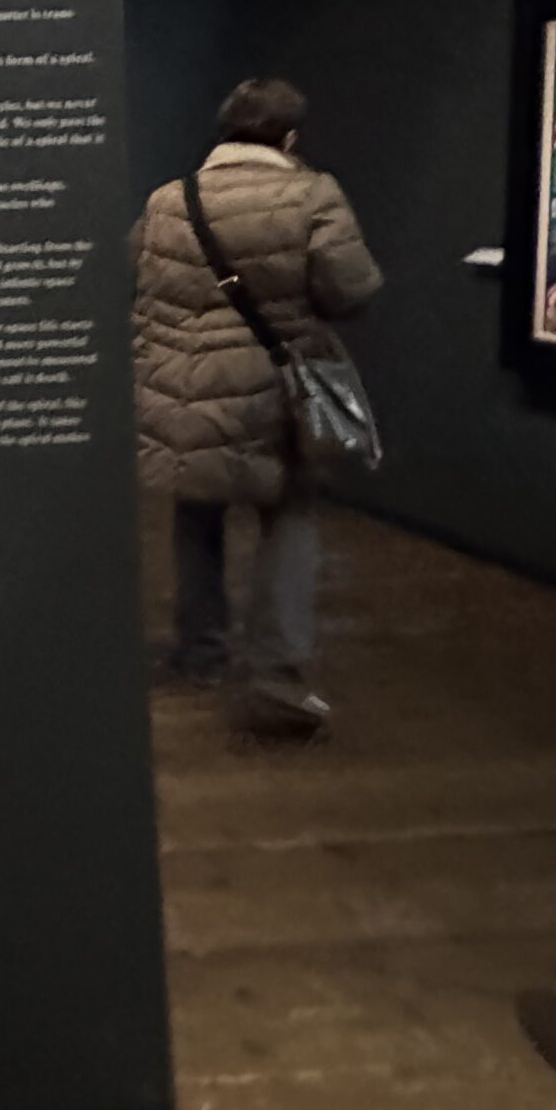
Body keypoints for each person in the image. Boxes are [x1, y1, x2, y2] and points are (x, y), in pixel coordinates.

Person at [134, 78, 383, 732]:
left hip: (179, 386)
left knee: (196, 512)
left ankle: (200, 653)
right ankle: (276, 672)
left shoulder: (170, 199)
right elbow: (350, 290)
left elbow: (141, 280)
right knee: (288, 514)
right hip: (272, 389)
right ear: (290, 138)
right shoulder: (313, 194)